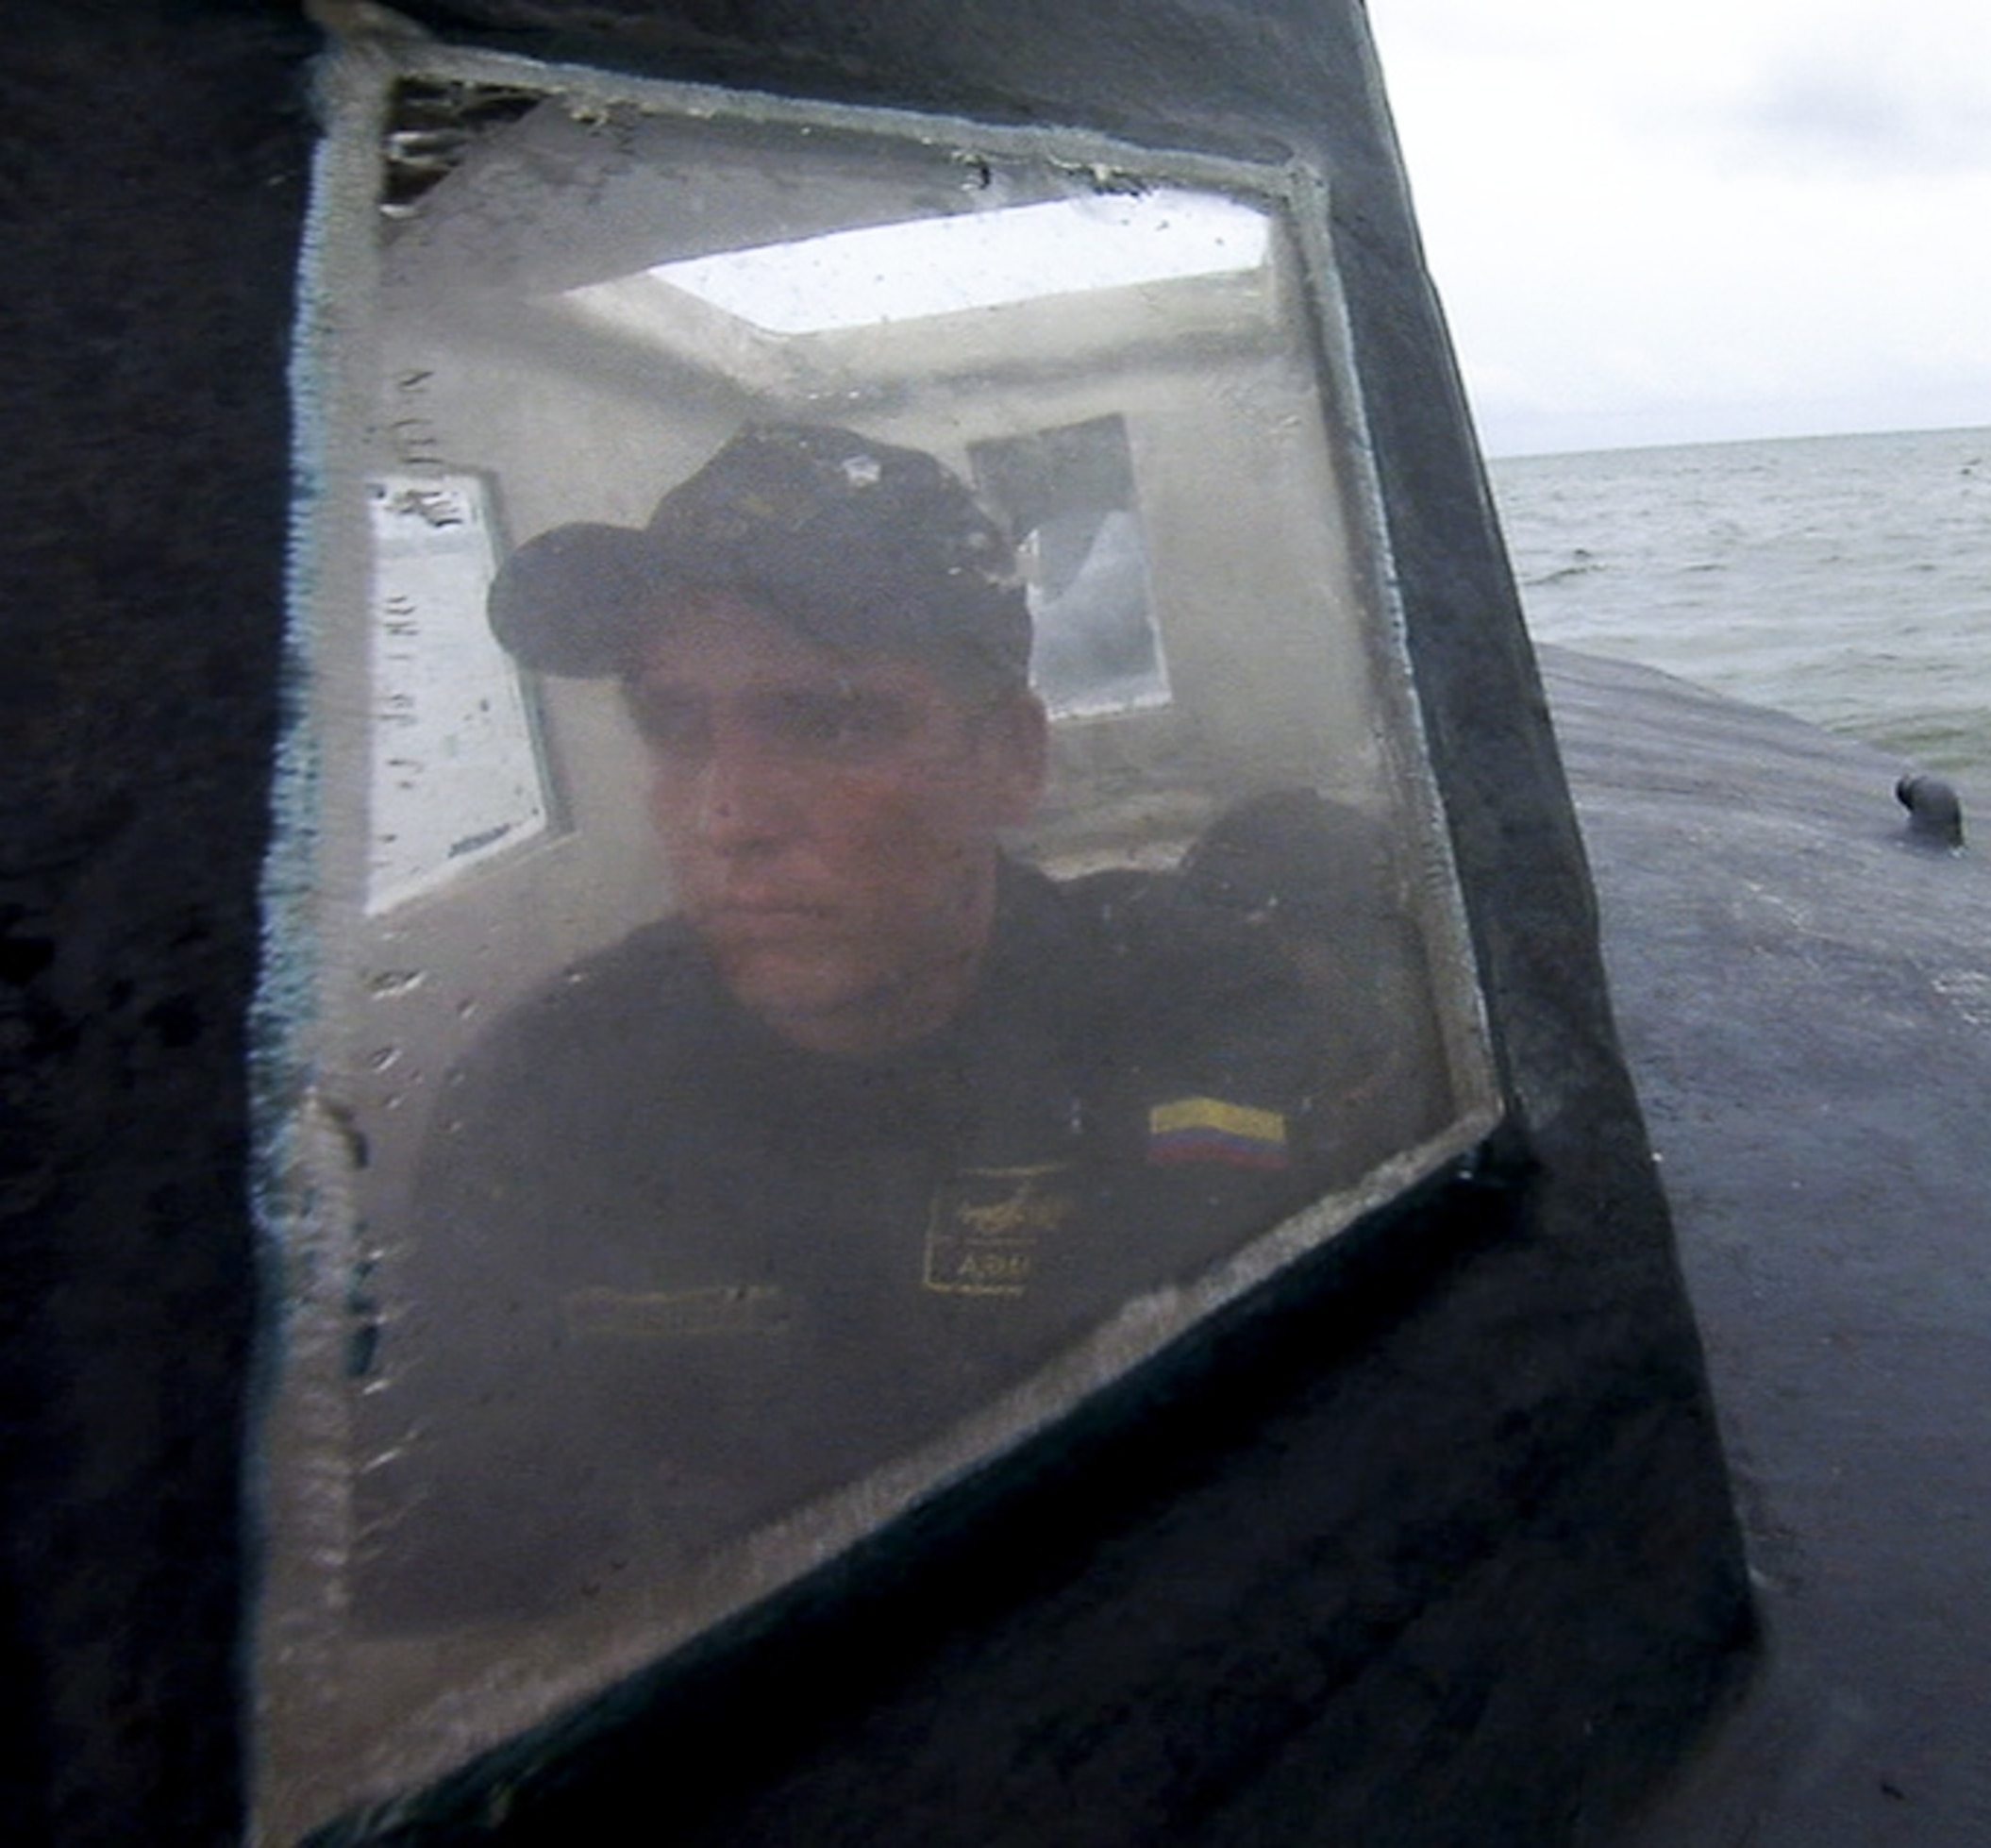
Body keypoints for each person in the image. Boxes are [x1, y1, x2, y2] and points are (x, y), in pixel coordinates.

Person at [354, 424, 1434, 1625]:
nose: (728, 813)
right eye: (673, 725)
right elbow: (466, 1583)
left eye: (830, 723)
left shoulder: (1204, 1008)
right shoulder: (542, 1107)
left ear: (1009, 758)